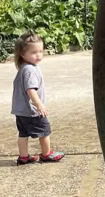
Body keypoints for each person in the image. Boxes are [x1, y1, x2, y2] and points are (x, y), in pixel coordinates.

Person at [11, 32, 65, 166]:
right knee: (45, 131)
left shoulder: (24, 68)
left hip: (20, 110)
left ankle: (23, 157)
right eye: (34, 52)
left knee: (23, 133)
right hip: (32, 111)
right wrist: (39, 105)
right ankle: (46, 154)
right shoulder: (30, 70)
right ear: (22, 54)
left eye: (40, 51)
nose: (39, 55)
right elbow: (30, 89)